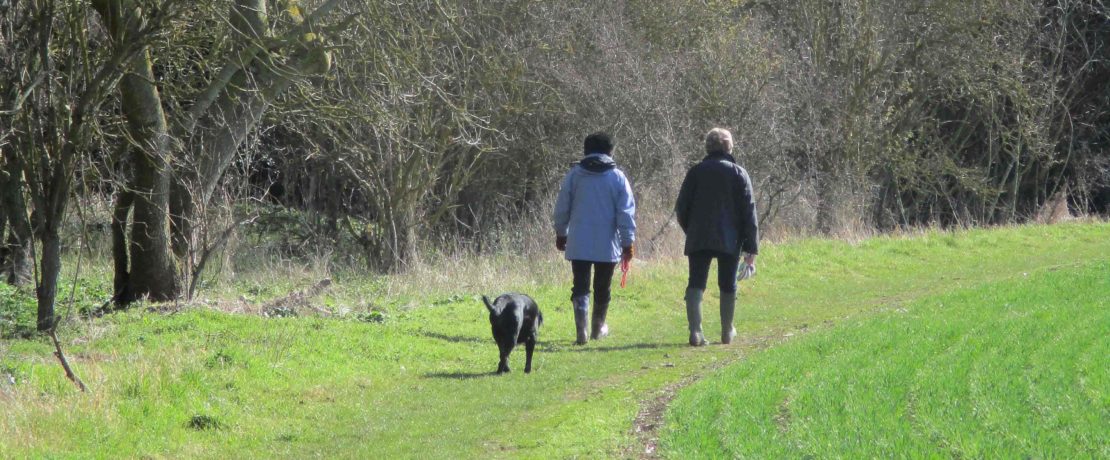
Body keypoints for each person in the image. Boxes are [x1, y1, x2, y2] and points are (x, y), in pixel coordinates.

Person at [674, 128, 759, 346]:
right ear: (729, 147)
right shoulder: (739, 173)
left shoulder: (695, 172)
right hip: (730, 238)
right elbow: (749, 212)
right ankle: (727, 331)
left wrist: (690, 229)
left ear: (707, 147)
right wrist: (751, 248)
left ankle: (696, 332)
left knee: (696, 282)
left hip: (699, 236)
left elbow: (681, 207)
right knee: (728, 284)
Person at [553, 132, 636, 345]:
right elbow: (625, 213)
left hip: (578, 242)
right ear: (610, 151)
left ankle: (581, 331)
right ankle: (598, 329)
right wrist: (628, 242)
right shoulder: (618, 177)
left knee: (580, 286)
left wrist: (561, 232)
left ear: (585, 151)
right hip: (607, 245)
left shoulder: (574, 175)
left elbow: (562, 207)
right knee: (603, 288)